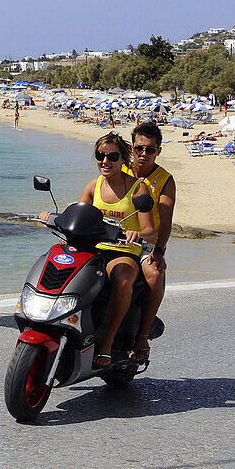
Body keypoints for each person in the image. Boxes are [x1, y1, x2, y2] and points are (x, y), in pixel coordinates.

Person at [52, 133, 155, 368]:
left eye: (112, 156)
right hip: (91, 249)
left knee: (122, 278)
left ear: (123, 159)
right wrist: (53, 217)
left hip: (122, 251)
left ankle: (107, 343)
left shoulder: (138, 189)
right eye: (100, 155)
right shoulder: (93, 186)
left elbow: (150, 230)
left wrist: (136, 233)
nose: (105, 161)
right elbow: (76, 216)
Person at [122, 122, 176, 366]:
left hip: (145, 243)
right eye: (139, 148)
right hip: (113, 238)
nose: (143, 154)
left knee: (154, 276)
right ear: (132, 148)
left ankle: (142, 337)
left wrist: (159, 251)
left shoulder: (164, 180)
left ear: (158, 151)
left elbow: (165, 221)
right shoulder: (117, 168)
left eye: (150, 150)